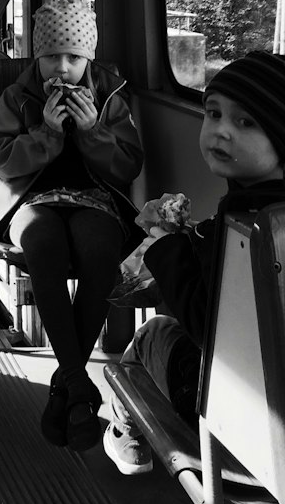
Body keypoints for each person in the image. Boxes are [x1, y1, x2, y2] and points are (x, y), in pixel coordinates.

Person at [0, 0, 143, 451]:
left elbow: (126, 168)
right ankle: (78, 385)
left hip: (96, 199)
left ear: (88, 58)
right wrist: (47, 132)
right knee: (42, 246)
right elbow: (2, 162)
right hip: (31, 198)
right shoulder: (17, 97)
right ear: (36, 56)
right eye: (50, 57)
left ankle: (68, 387)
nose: (60, 69)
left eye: (73, 58)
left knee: (100, 250)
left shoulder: (110, 95)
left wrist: (92, 132)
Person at [103, 50, 285, 476]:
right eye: (214, 113)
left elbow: (209, 328)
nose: (220, 131)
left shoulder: (248, 233)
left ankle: (126, 435)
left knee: (152, 335)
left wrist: (166, 247)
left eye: (246, 122)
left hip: (249, 421)